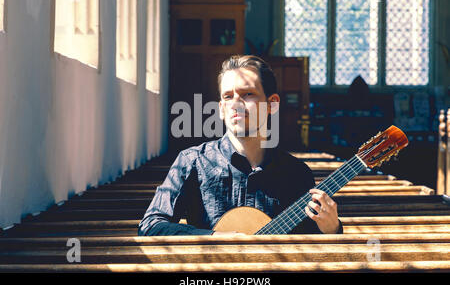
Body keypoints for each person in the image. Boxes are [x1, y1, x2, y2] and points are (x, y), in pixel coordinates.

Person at [138, 55, 343, 236]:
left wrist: (331, 229)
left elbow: (309, 247)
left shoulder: (297, 173)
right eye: (228, 96)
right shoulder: (192, 161)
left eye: (248, 94)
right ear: (220, 108)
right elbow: (151, 225)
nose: (235, 103)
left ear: (272, 104)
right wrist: (213, 237)